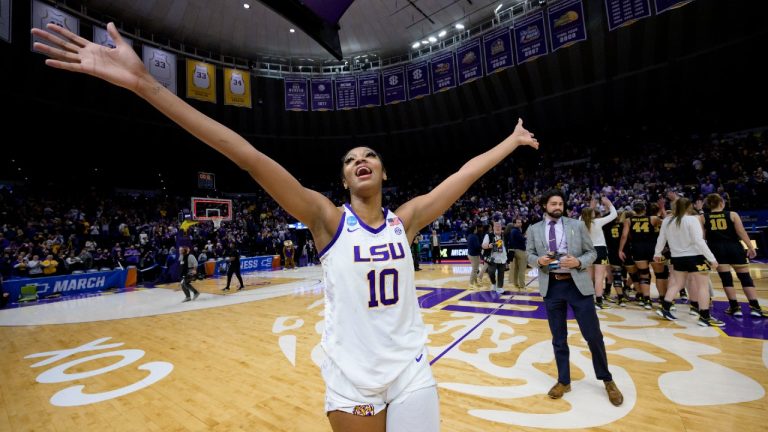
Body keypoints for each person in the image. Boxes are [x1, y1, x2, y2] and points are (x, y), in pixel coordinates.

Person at [31, 22, 539, 431]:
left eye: (369, 156)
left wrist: (510, 142)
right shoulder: (327, 219)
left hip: (410, 370)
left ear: (384, 172)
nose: (360, 160)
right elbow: (246, 154)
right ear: (342, 178)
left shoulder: (406, 221)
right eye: (350, 159)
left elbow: (464, 175)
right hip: (352, 379)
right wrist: (145, 85)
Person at [526, 189, 623, 407]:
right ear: (545, 206)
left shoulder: (576, 225)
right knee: (558, 338)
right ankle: (563, 380)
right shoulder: (533, 229)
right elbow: (529, 255)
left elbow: (592, 253)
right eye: (553, 204)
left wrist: (578, 262)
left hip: (577, 286)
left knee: (593, 336)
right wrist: (538, 261)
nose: (557, 207)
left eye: (560, 203)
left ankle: (607, 379)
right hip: (552, 287)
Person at [653, 198, 723, 326]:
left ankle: (665, 308)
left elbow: (661, 238)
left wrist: (657, 253)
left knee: (677, 284)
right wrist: (712, 258)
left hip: (677, 257)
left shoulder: (667, 220)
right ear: (689, 207)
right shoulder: (692, 219)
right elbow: (699, 240)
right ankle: (704, 316)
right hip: (695, 256)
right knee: (703, 286)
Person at [702, 193, 764, 318]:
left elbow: (702, 238)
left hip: (716, 249)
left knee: (726, 280)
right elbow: (741, 232)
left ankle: (735, 307)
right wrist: (750, 247)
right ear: (722, 203)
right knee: (745, 278)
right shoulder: (732, 214)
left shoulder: (703, 218)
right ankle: (755, 307)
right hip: (734, 248)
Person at [580, 196, 617, 309]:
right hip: (599, 250)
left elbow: (581, 217)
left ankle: (589, 300)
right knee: (599, 278)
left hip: (587, 251)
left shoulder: (580, 224)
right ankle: (599, 302)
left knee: (589, 278)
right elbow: (614, 215)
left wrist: (591, 207)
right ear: (591, 214)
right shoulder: (597, 222)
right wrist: (609, 204)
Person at [482, 220, 507, 294]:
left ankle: (500, 287)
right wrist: (489, 246)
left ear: (501, 227)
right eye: (496, 226)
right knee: (491, 272)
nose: (498, 227)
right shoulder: (488, 235)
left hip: (502, 257)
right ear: (493, 228)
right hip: (492, 258)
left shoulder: (504, 235)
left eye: (499, 226)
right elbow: (483, 245)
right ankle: (493, 283)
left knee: (501, 273)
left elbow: (507, 245)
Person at [505, 218, 527, 290]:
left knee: (516, 268)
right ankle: (522, 285)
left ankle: (516, 283)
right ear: (514, 223)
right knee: (522, 269)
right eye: (518, 222)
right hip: (520, 251)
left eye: (520, 222)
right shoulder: (516, 231)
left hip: (514, 251)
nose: (520, 223)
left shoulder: (512, 231)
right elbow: (522, 239)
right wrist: (525, 236)